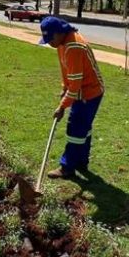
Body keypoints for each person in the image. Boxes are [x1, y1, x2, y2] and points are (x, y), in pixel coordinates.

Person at [38, 16, 105, 179]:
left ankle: (67, 167)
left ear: (59, 33)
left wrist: (62, 106)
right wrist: (64, 88)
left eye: (50, 38)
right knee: (84, 128)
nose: (49, 43)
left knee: (75, 128)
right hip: (84, 91)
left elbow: (75, 86)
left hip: (88, 93)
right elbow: (67, 72)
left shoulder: (73, 46)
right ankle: (81, 161)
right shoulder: (62, 43)